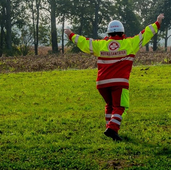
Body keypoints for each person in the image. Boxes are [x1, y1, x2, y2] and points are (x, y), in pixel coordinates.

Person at [64, 13, 164, 141]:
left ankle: (109, 127)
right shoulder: (129, 43)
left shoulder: (101, 45)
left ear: (108, 34)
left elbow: (84, 42)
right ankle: (112, 129)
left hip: (101, 84)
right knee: (121, 106)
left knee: (110, 105)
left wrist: (71, 34)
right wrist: (157, 22)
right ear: (123, 33)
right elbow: (145, 34)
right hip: (119, 83)